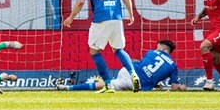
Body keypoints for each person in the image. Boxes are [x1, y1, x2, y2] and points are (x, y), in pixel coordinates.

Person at [63, 0, 140, 93]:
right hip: (117, 18)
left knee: (94, 51)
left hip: (101, 19)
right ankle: (133, 74)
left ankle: (109, 85)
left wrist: (71, 17)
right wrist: (131, 14)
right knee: (118, 49)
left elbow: (81, 0)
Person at [57, 40, 186, 92]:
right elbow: (174, 87)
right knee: (112, 85)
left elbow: (145, 64)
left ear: (162, 48)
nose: (155, 48)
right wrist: (181, 87)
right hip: (138, 84)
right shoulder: (173, 65)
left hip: (128, 71)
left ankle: (69, 87)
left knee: (110, 83)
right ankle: (70, 87)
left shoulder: (151, 52)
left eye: (158, 46)